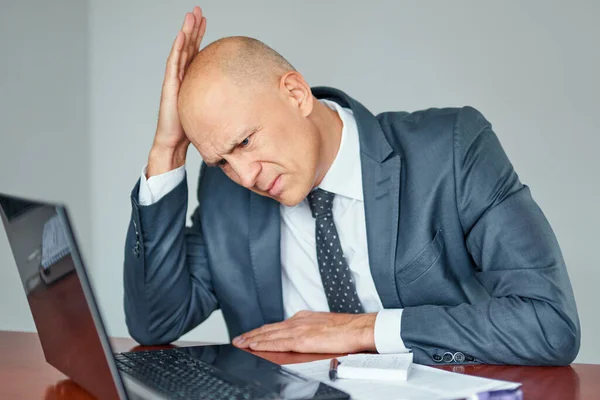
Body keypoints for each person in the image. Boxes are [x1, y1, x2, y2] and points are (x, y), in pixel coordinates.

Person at [123, 6, 580, 366]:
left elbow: (548, 323)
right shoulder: (227, 193)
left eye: (245, 141)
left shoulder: (453, 151)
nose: (245, 176)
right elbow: (155, 322)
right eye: (221, 160)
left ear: (296, 93)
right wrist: (167, 149)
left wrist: (363, 330)